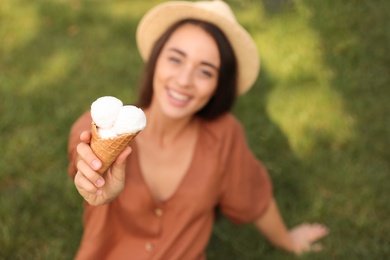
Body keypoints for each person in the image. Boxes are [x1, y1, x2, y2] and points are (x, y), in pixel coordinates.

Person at [67, 1, 329, 259]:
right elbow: (84, 164)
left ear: (218, 85)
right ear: (156, 59)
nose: (184, 81)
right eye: (175, 59)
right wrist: (93, 182)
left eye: (205, 72)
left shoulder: (224, 136)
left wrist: (288, 240)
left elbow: (252, 195)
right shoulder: (99, 127)